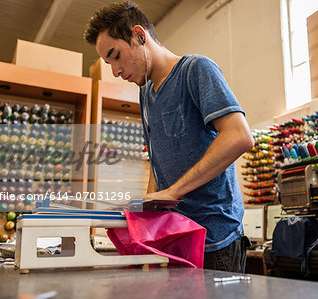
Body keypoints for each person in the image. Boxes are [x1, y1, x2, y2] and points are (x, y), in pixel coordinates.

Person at [84, 1, 254, 272]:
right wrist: (147, 213)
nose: (115, 71)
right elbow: (157, 160)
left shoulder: (196, 70)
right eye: (108, 63)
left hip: (214, 239)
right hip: (175, 236)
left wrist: (174, 191)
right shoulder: (145, 93)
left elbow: (239, 136)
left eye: (115, 56)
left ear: (139, 35)